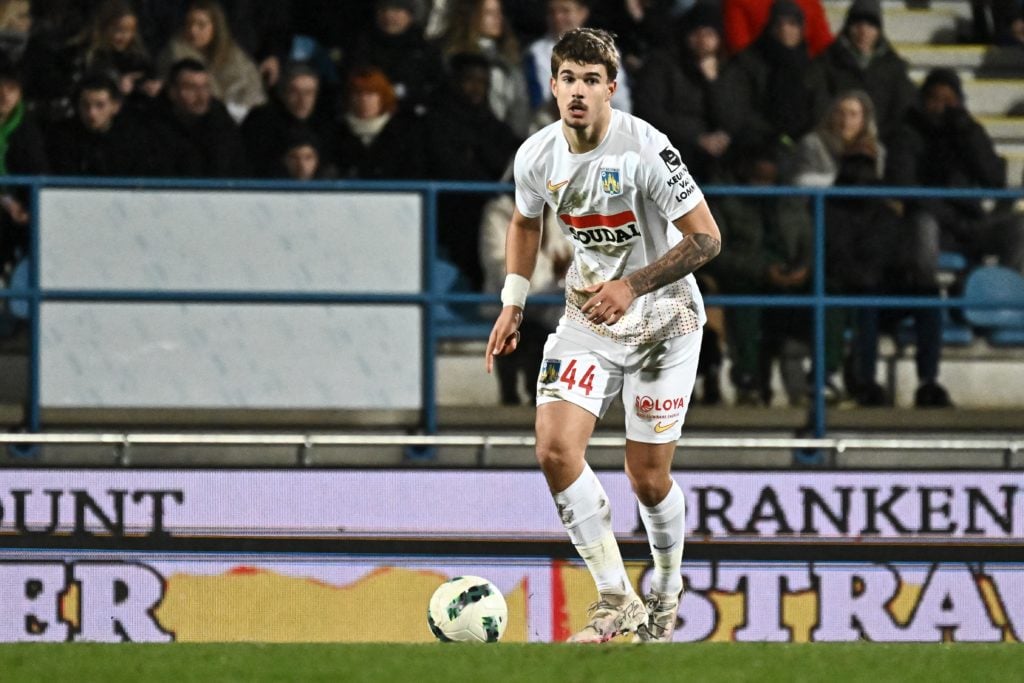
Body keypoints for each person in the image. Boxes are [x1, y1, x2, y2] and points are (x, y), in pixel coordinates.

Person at [485, 27, 721, 643]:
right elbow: (523, 221)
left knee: (646, 475)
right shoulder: (536, 155)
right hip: (590, 316)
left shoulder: (645, 148)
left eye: (592, 80)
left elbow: (706, 238)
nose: (579, 91)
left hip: (665, 319)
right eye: (568, 78)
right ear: (553, 85)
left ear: (611, 88)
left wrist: (633, 285)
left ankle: (666, 589)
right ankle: (618, 598)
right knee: (555, 450)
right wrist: (513, 302)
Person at [826, 150, 952, 407]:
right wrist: (866, 277)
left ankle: (928, 381)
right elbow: (837, 259)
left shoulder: (886, 211)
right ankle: (866, 382)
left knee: (928, 296)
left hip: (883, 287)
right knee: (868, 300)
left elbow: (897, 253)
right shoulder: (830, 210)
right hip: (850, 292)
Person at [887, 67, 1024, 279]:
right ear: (922, 100)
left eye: (948, 100)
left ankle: (1007, 294)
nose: (940, 106)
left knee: (1019, 226)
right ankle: (926, 302)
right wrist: (948, 216)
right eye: (934, 98)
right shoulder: (906, 134)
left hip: (972, 224)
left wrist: (969, 134)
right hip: (930, 221)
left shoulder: (968, 131)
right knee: (923, 226)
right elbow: (903, 185)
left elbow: (995, 180)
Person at [632, 1, 732, 183]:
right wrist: (696, 139)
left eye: (709, 34)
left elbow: (730, 118)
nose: (702, 41)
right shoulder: (661, 64)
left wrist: (712, 83)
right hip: (671, 147)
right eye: (697, 34)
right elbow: (649, 112)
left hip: (715, 153)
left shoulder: (728, 69)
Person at [720, 0, 829, 158]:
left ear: (801, 29)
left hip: (804, 146)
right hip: (757, 145)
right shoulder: (749, 63)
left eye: (792, 24)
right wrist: (773, 138)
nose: (785, 30)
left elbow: (820, 107)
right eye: (779, 24)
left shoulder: (812, 68)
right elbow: (740, 111)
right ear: (770, 28)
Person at [815, 0, 916, 145]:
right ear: (848, 27)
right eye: (857, 24)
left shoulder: (894, 66)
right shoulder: (827, 61)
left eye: (871, 25)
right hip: (835, 141)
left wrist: (876, 138)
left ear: (879, 30)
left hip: (883, 142)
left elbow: (902, 109)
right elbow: (819, 105)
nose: (863, 31)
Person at [156, 0, 267, 122]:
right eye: (189, 23)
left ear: (216, 27)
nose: (193, 30)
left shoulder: (234, 54)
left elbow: (252, 91)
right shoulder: (174, 54)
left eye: (201, 25)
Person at [439, 0, 532, 136]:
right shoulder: (456, 59)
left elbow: (519, 105)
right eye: (489, 13)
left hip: (503, 137)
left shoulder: (509, 59)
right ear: (472, 16)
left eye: (499, 12)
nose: (497, 18)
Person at [523, 0, 632, 116]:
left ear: (582, 13)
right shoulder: (535, 54)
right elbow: (539, 105)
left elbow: (620, 100)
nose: (557, 17)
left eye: (565, 11)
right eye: (552, 12)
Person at [146, 57, 249, 177]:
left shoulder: (221, 123)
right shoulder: (151, 126)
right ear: (172, 92)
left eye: (205, 87)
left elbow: (238, 170)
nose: (201, 96)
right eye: (191, 88)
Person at [46, 74, 164, 176]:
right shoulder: (61, 136)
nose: (92, 113)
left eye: (100, 105)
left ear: (115, 106)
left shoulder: (133, 138)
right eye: (85, 105)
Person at [241, 62, 335, 177]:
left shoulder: (325, 125)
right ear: (283, 93)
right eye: (295, 92)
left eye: (309, 93)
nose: (303, 100)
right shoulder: (260, 123)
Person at [349, 0, 445, 113]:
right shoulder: (361, 46)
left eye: (397, 9)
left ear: (410, 15)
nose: (388, 15)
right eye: (383, 9)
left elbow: (438, 88)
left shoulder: (425, 51)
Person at [335, 66, 423, 180]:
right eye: (358, 94)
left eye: (371, 94)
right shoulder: (337, 132)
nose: (364, 100)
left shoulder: (403, 133)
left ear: (382, 97)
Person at [722, 0, 832, 57]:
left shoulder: (809, 2)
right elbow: (740, 49)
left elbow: (824, 46)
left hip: (807, 78)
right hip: (758, 82)